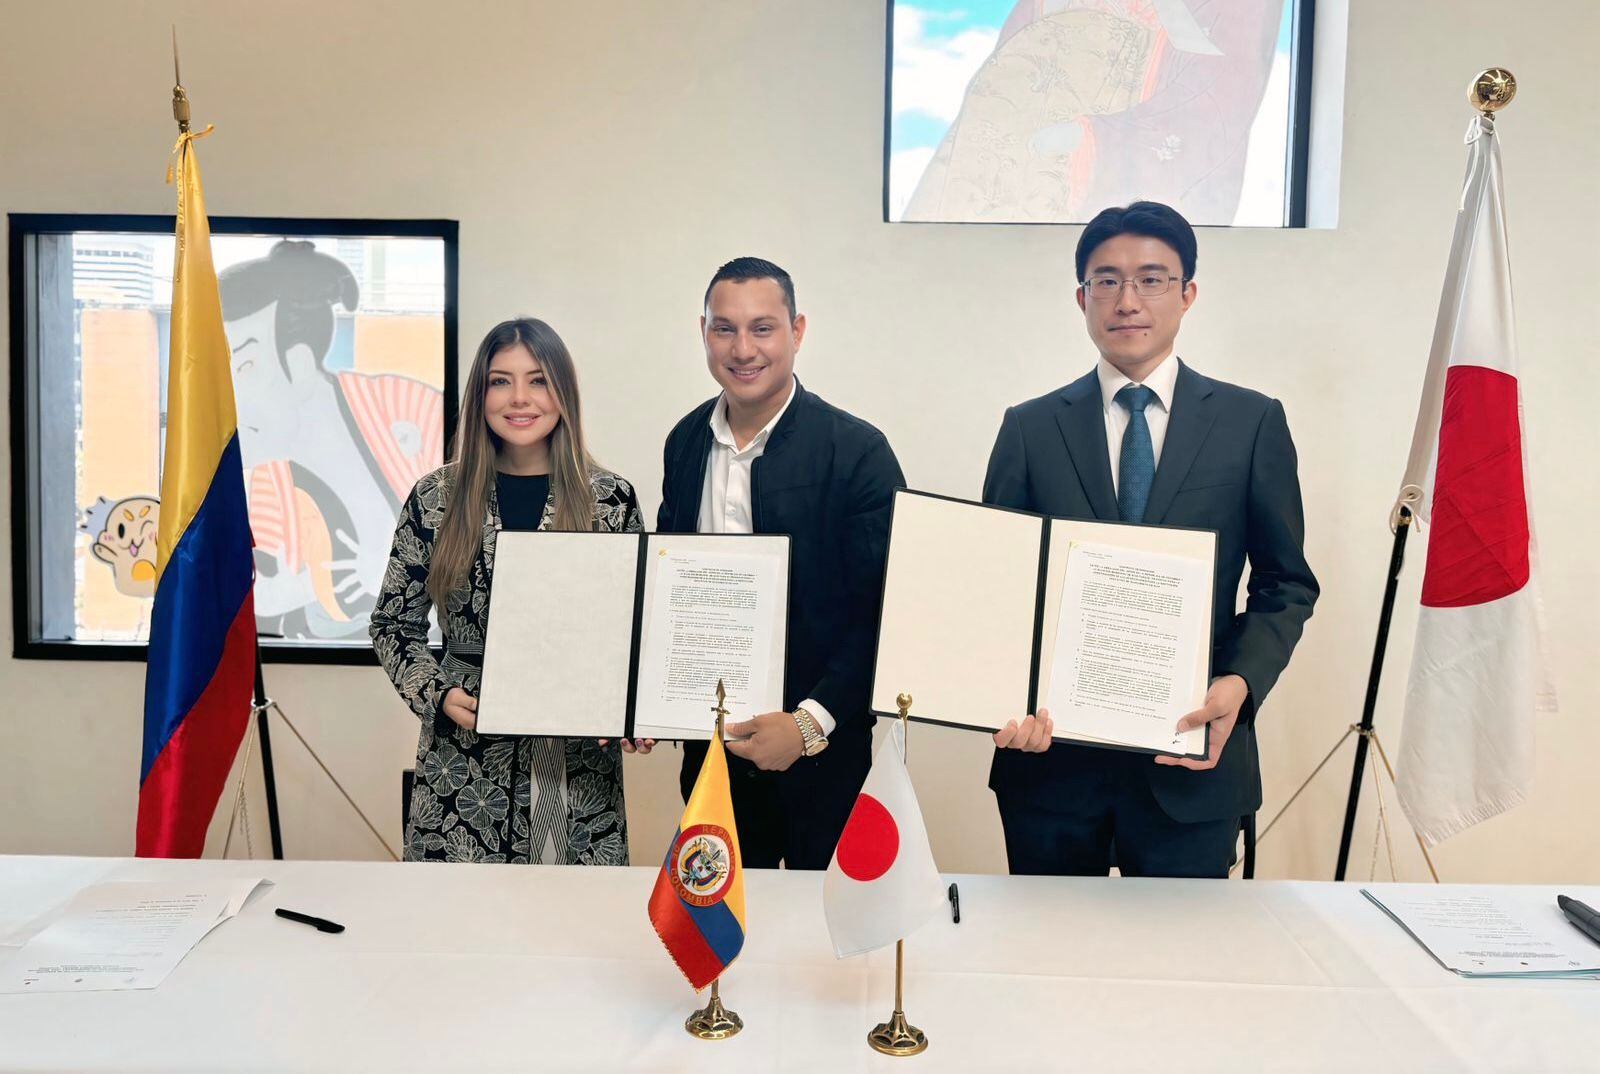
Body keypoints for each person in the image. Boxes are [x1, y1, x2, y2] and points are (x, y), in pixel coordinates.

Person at [983, 201, 1318, 878]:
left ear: (1188, 293)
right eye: (1106, 280)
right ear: (1081, 297)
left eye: (1153, 279)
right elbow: (998, 584)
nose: (1127, 300)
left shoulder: (1251, 423)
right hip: (1052, 769)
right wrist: (997, 693)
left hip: (1192, 764)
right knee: (1049, 965)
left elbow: (1286, 583)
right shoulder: (1030, 427)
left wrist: (1240, 684)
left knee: (1179, 972)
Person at [371, 317, 650, 864]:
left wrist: (636, 713)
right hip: (464, 769)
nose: (519, 398)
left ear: (563, 392)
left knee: (572, 933)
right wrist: (438, 695)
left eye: (539, 380)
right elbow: (392, 626)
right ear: (480, 394)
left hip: (579, 773)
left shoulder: (611, 500)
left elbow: (636, 632)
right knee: (461, 935)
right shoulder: (436, 498)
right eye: (501, 381)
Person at [657, 257, 905, 869]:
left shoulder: (858, 452)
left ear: (797, 331)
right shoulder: (685, 442)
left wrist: (808, 725)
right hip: (713, 754)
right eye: (724, 328)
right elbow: (668, 585)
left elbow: (887, 616)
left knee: (821, 949)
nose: (743, 349)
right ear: (703, 332)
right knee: (724, 940)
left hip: (824, 759)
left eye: (763, 328)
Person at [219, 240, 444, 640]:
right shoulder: (272, 480)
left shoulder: (410, 411)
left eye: (245, 366)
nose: (223, 393)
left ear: (301, 362)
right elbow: (273, 596)